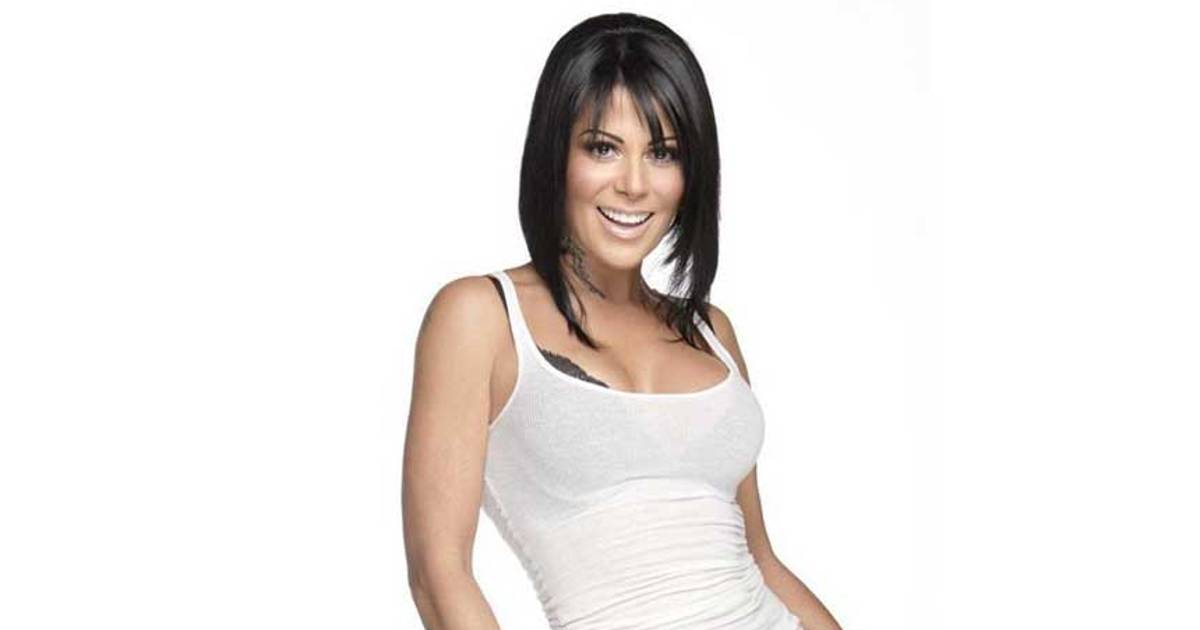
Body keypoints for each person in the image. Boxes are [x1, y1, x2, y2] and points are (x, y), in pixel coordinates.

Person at [403, 12, 842, 630]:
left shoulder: (711, 333)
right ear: (556, 154)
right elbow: (438, 574)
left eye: (662, 153)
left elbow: (761, 559)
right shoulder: (482, 319)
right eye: (603, 148)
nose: (633, 184)